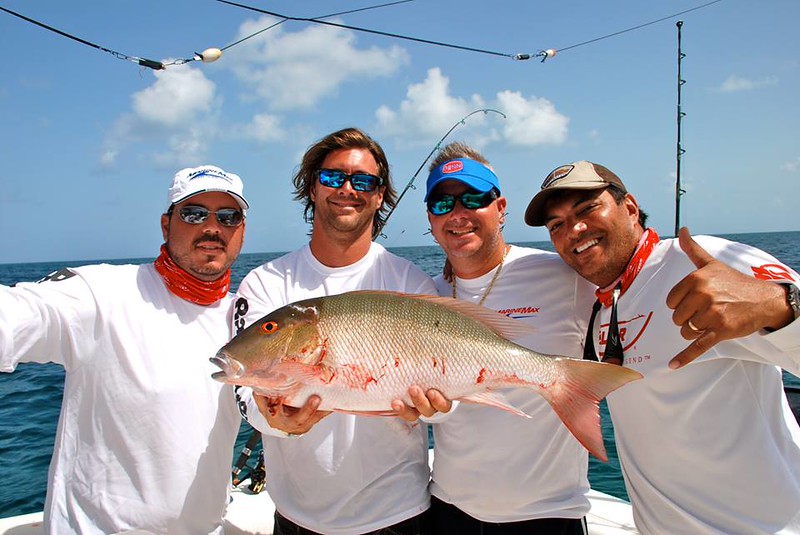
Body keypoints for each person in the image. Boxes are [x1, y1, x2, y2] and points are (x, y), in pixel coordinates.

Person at [525, 160, 800, 534]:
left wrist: (780, 306)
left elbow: (781, 306)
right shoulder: (601, 299)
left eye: (587, 208)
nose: (574, 229)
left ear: (631, 208)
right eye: (556, 225)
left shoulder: (703, 261)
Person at [0, 165, 249, 534]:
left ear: (241, 231)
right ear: (166, 225)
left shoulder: (245, 321)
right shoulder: (100, 292)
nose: (212, 227)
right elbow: (19, 313)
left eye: (228, 216)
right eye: (194, 213)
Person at [233, 127, 437, 535]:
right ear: (312, 188)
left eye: (363, 181)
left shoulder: (411, 283)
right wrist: (277, 421)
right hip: (296, 516)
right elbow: (244, 390)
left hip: (399, 513)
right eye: (332, 177)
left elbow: (445, 393)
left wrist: (438, 409)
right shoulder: (264, 283)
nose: (347, 189)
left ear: (379, 196)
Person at [399, 142, 597, 534]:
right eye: (442, 205)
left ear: (501, 208)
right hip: (449, 509)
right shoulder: (427, 296)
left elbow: (637, 291)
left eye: (472, 198)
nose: (457, 214)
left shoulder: (562, 275)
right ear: (430, 218)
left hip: (549, 513)